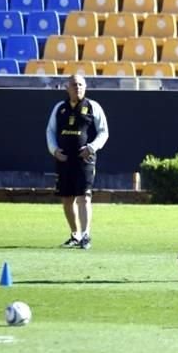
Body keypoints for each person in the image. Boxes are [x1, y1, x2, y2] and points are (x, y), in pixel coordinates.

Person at [45, 73, 109, 249]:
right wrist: (54, 150)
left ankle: (86, 235)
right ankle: (75, 234)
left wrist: (92, 147)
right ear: (67, 87)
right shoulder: (60, 108)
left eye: (81, 85)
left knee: (84, 196)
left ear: (85, 87)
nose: (78, 88)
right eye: (74, 85)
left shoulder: (93, 107)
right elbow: (50, 131)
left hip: (85, 159)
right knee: (66, 198)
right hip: (64, 159)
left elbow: (104, 132)